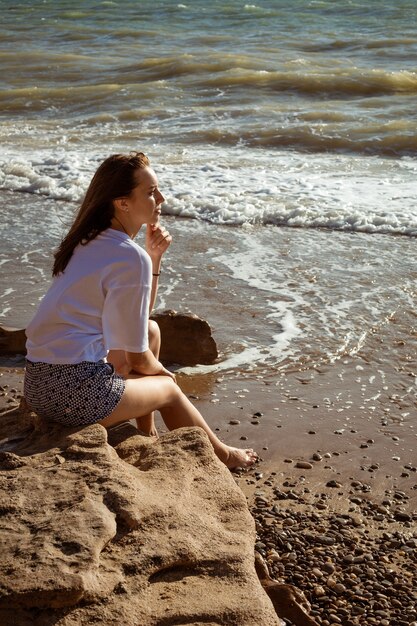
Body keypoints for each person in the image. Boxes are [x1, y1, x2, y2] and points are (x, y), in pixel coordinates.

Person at [24, 152, 257, 469]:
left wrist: (154, 260)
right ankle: (225, 457)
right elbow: (136, 358)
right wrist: (166, 379)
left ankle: (146, 433)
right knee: (170, 392)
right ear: (122, 202)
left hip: (38, 386)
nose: (160, 198)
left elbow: (135, 325)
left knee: (151, 330)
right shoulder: (128, 257)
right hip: (71, 394)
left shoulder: (86, 241)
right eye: (150, 192)